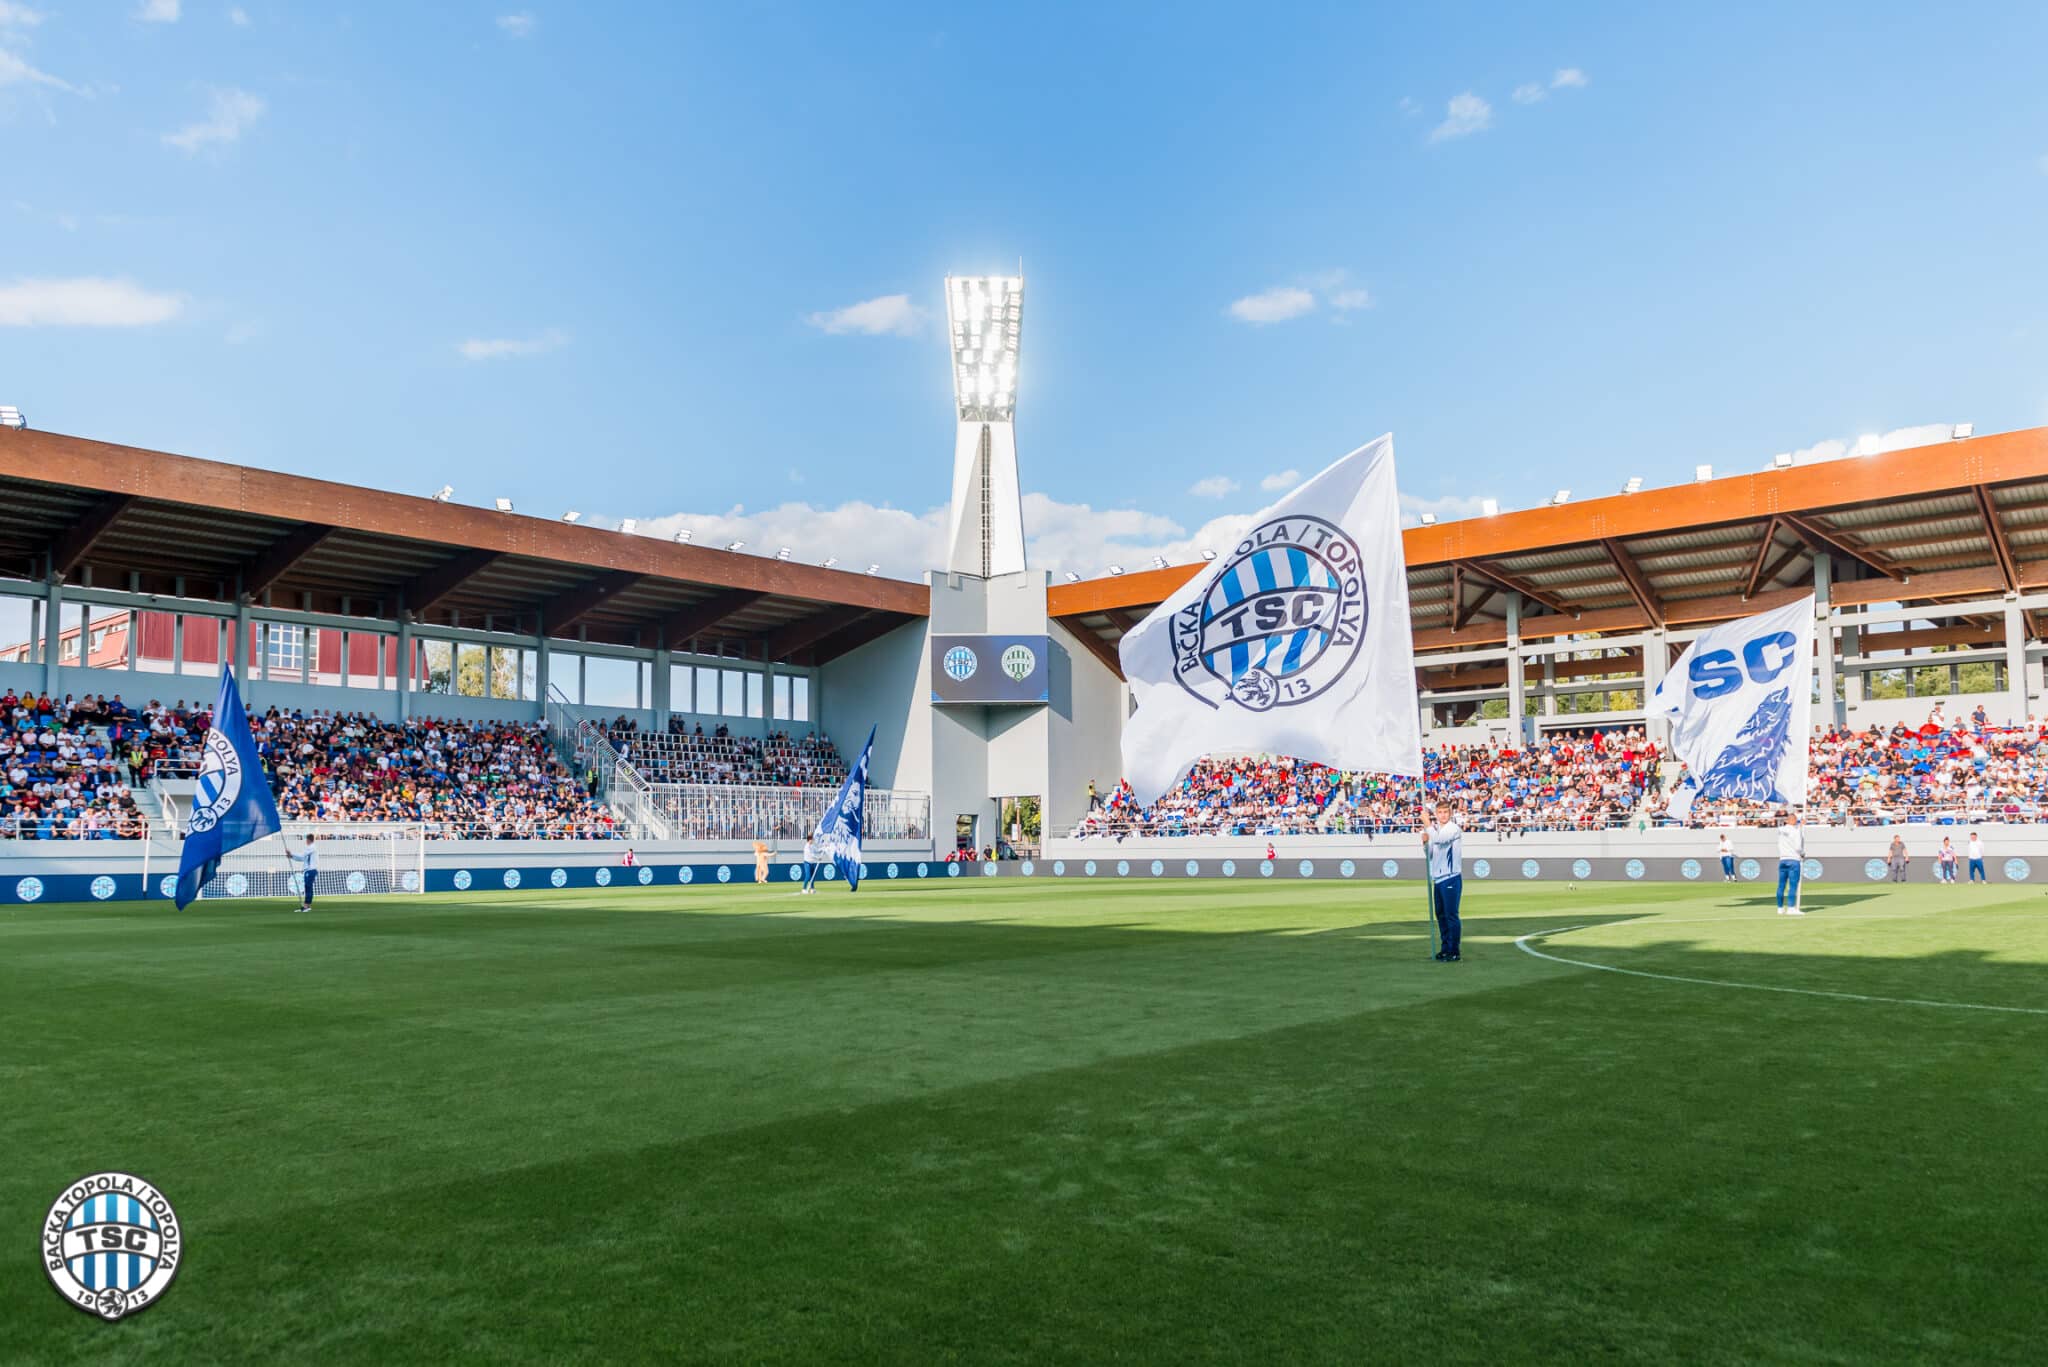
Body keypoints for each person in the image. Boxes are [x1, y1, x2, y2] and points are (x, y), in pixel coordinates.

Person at [1423, 803, 1464, 961]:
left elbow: (1440, 840)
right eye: (1440, 812)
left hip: (1451, 877)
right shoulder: (1435, 831)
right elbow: (1430, 854)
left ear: (1450, 813)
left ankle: (1454, 951)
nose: (1443, 815)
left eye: (1445, 812)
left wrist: (1427, 825)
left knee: (1451, 915)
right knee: (1441, 915)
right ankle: (1445, 948)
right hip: (1438, 879)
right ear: (1436, 814)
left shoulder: (1453, 828)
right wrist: (1425, 843)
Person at [1775, 809, 1805, 915]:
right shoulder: (1796, 831)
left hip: (1783, 859)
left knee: (1781, 885)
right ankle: (1791, 908)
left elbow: (1788, 830)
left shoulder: (1780, 830)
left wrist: (1799, 826)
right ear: (1794, 820)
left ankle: (1780, 908)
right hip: (1793, 859)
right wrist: (1802, 853)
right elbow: (1798, 847)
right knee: (1793, 885)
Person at [296, 838, 319, 914]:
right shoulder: (310, 849)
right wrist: (291, 856)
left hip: (310, 870)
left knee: (308, 887)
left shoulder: (311, 847)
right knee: (308, 887)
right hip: (309, 870)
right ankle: (308, 906)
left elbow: (302, 855)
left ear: (309, 840)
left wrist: (291, 854)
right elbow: (302, 858)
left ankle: (306, 906)